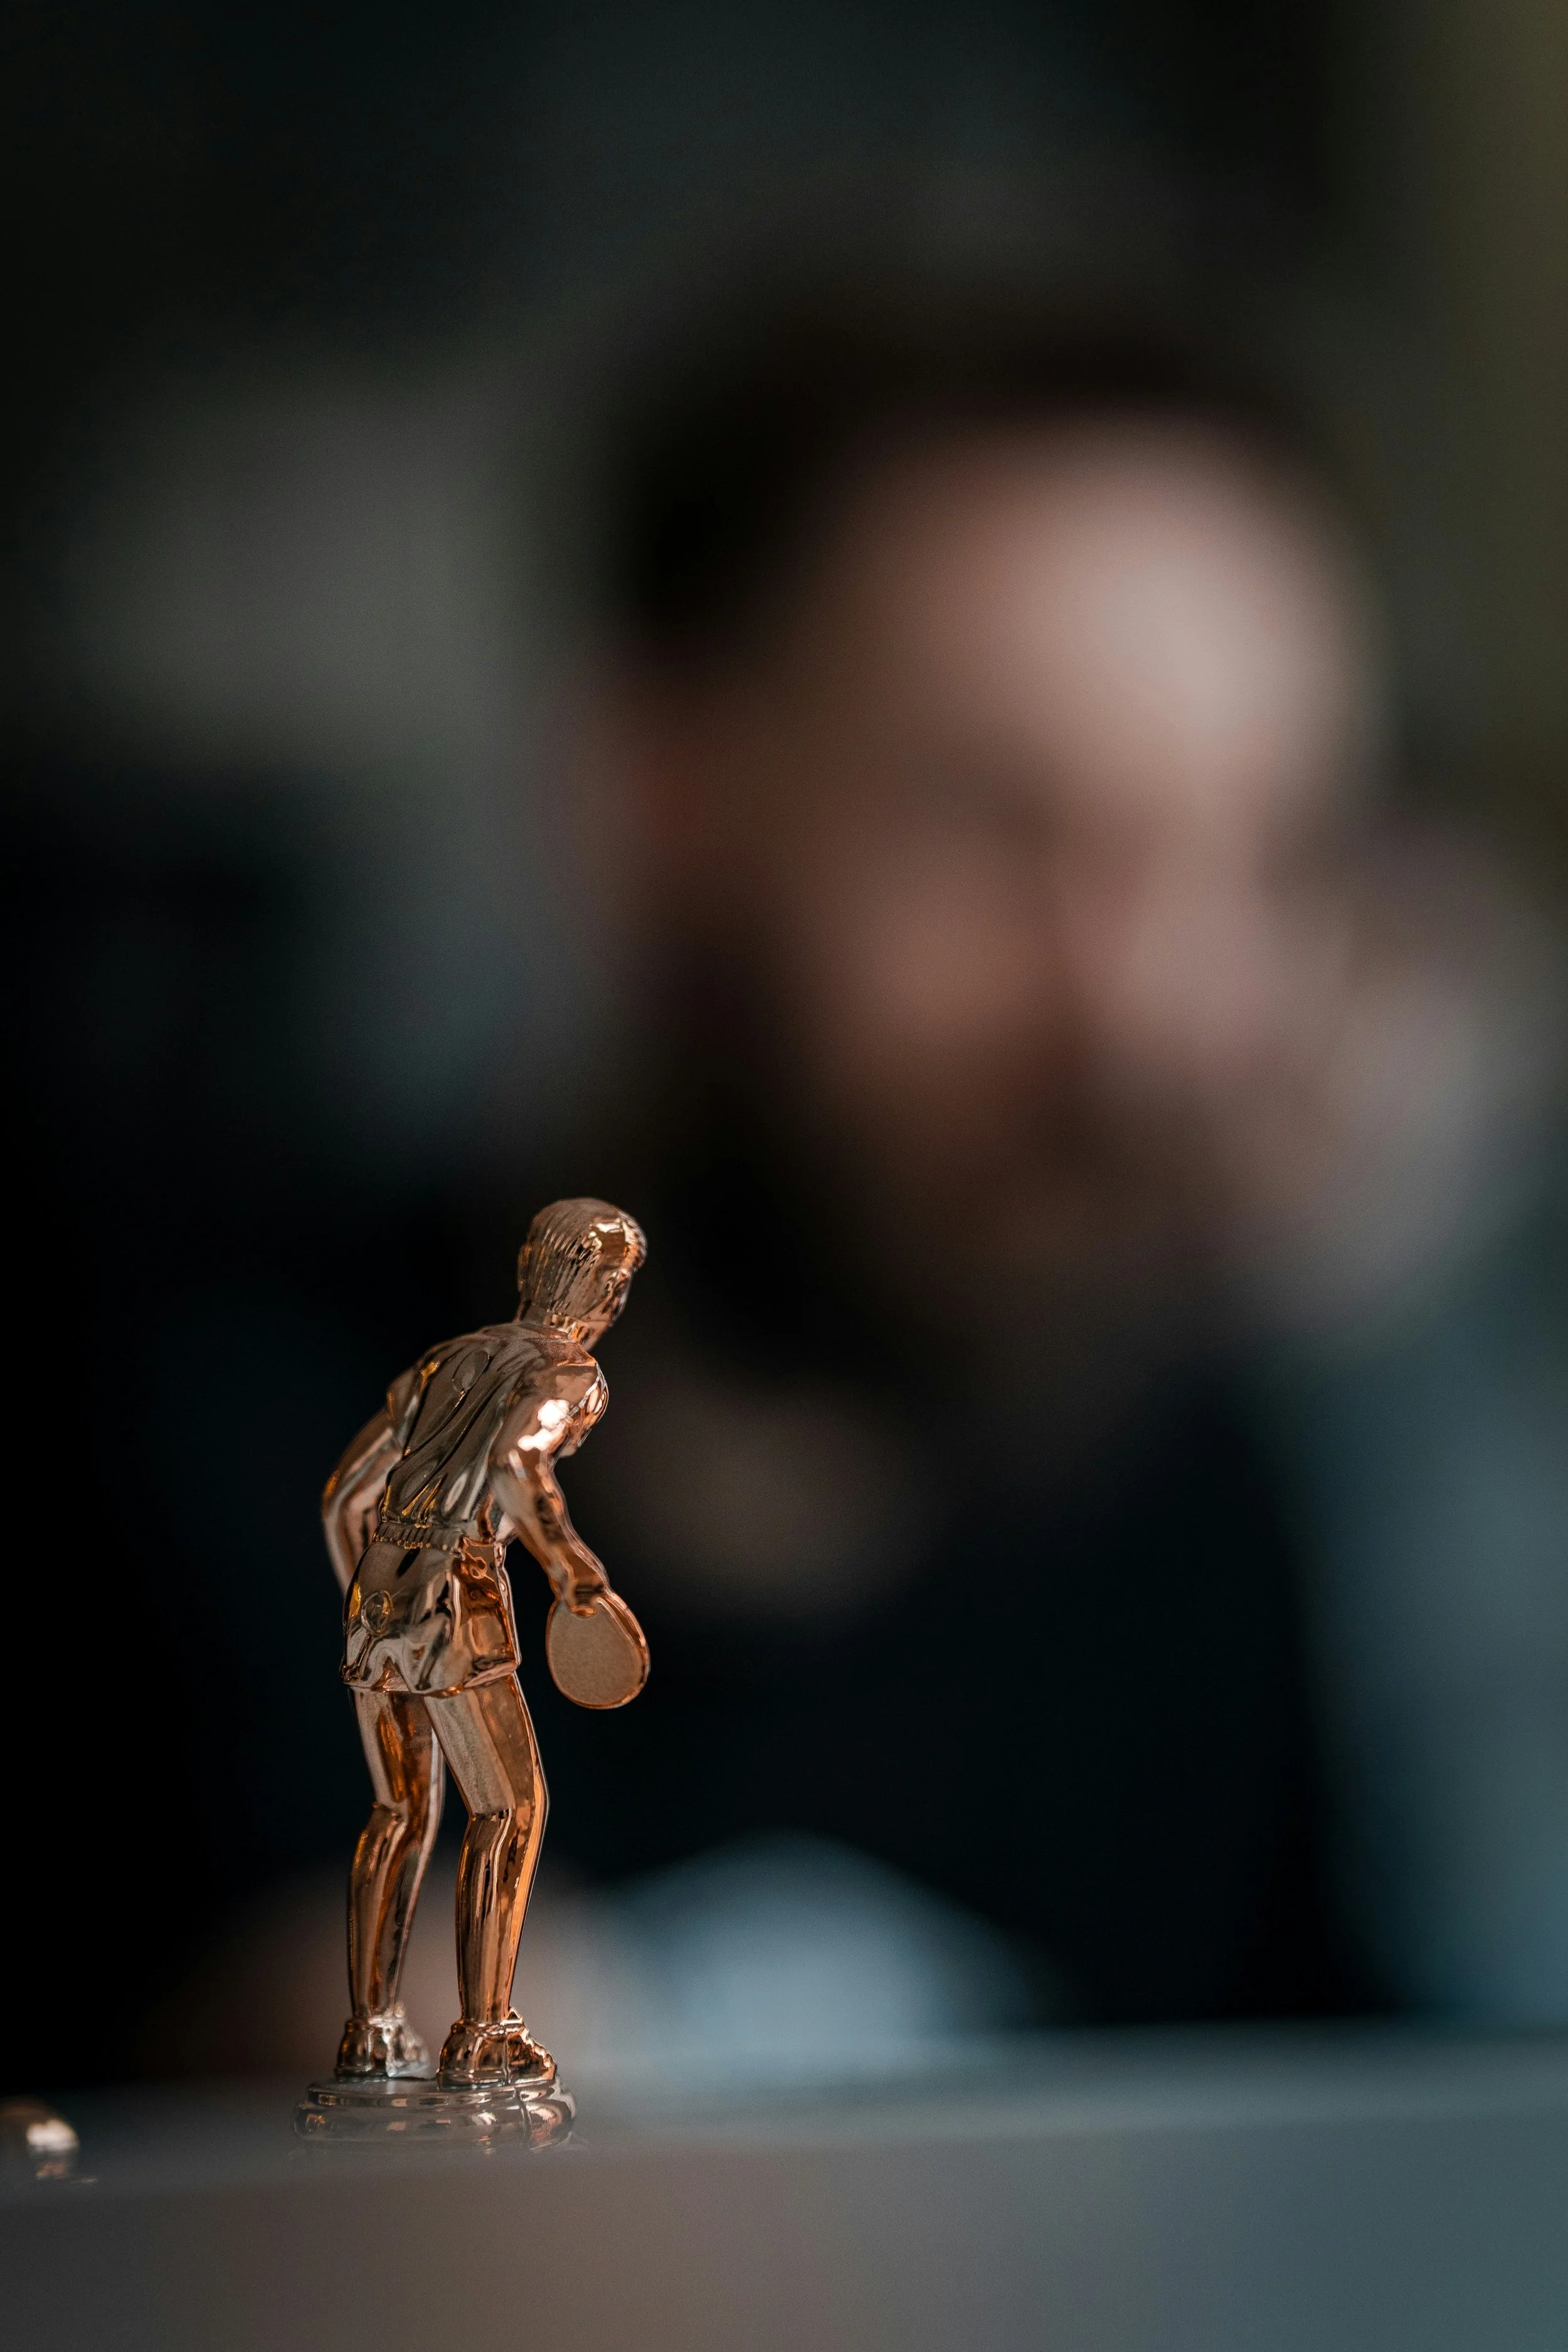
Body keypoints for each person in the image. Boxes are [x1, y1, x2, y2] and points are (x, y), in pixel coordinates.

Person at [494, 272, 1565, 2033]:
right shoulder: (222, 1470)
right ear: (655, 794)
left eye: (1260, 852)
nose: (1152, 1014)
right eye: (995, 825)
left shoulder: (1228, 1485)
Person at [320, 1196, 647, 2087]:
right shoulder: (570, 1371)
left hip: (376, 1593)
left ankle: (372, 2028)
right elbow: (515, 1465)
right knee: (513, 1807)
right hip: (456, 1594)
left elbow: (345, 1498)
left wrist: (374, 1591)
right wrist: (574, 1568)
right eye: (616, 1282)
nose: (616, 1301)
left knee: (398, 1813)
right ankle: (484, 2031)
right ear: (598, 1286)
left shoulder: (445, 1358)